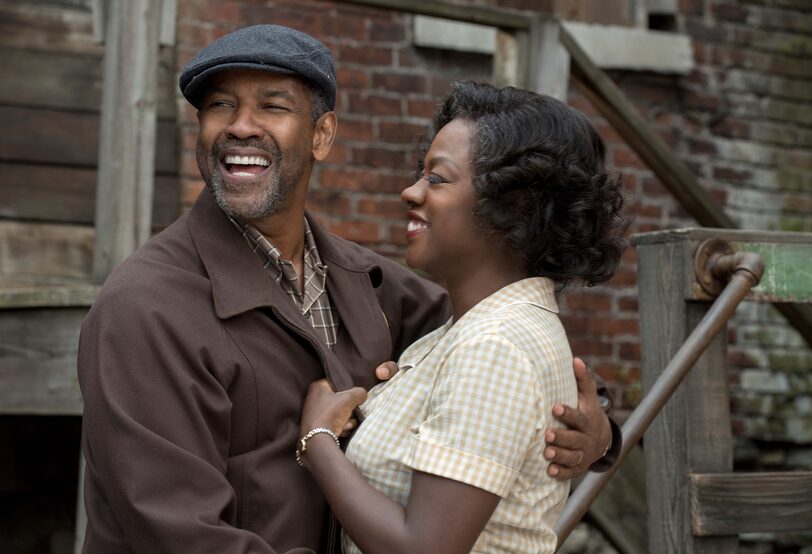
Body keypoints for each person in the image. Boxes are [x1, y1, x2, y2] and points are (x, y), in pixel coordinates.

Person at [77, 25, 617, 553]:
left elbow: (504, 358)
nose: (240, 126)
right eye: (219, 106)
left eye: (272, 106)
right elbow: (178, 532)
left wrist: (599, 434)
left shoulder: (372, 285)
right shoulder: (146, 307)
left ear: (321, 135)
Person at [296, 81, 628, 553]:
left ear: (511, 204)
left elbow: (425, 548)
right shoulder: (467, 331)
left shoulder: (494, 345)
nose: (410, 192)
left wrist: (318, 440)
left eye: (437, 178)